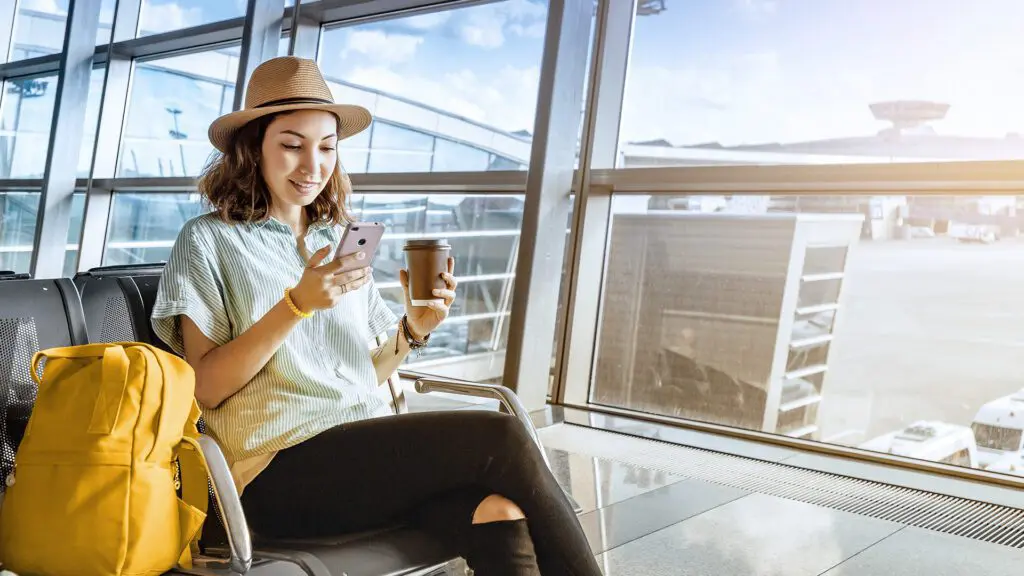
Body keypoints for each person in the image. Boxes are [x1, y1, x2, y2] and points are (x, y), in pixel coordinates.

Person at [151, 56, 601, 576]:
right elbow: (206, 388)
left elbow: (363, 374)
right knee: (501, 439)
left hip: (362, 458)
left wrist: (412, 331)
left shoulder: (335, 240)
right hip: (274, 473)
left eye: (326, 148)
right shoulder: (207, 240)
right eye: (292, 145)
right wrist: (295, 305)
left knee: (498, 512)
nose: (312, 165)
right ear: (253, 148)